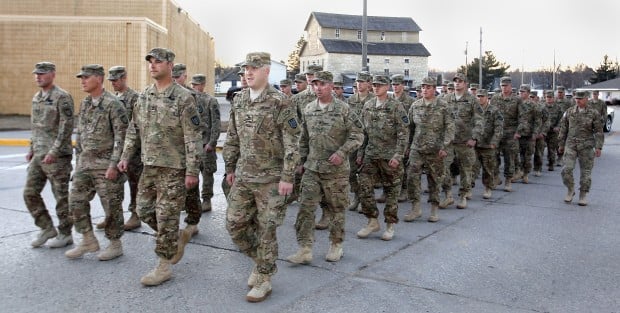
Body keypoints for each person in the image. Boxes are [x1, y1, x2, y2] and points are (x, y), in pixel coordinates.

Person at [118, 48, 202, 286]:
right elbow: (133, 129)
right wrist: (125, 155)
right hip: (150, 166)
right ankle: (174, 237)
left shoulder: (184, 98)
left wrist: (192, 170)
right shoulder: (144, 96)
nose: (153, 65)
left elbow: (193, 136)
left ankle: (163, 265)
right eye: (150, 62)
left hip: (174, 168)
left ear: (170, 65)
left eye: (158, 62)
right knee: (144, 210)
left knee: (166, 216)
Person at [223, 52, 300, 302]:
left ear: (267, 70)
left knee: (267, 229)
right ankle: (260, 261)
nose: (249, 72)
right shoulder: (240, 99)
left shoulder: (280, 102)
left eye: (254, 68)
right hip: (245, 176)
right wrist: (230, 167)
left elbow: (293, 142)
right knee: (234, 225)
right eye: (246, 68)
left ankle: (265, 277)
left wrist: (288, 176)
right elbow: (233, 137)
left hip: (272, 179)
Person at [287, 71, 362, 264]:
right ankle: (304, 249)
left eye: (322, 84)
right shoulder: (309, 109)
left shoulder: (343, 109)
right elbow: (303, 138)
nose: (317, 88)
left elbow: (357, 135)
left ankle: (336, 244)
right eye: (314, 84)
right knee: (305, 208)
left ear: (330, 86)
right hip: (312, 168)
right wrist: (301, 162)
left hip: (335, 172)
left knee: (336, 209)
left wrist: (342, 152)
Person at [65, 64, 128, 261]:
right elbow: (80, 135)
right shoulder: (85, 103)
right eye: (81, 78)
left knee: (111, 206)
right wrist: (78, 164)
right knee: (75, 201)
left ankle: (115, 243)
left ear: (99, 79)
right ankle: (88, 239)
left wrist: (113, 165)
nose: (82, 81)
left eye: (86, 77)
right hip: (85, 164)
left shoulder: (113, 105)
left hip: (105, 166)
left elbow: (122, 137)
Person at [25, 62, 75, 248]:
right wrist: (31, 149)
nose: (38, 76)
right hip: (39, 155)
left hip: (57, 157)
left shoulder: (62, 97)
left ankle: (65, 233)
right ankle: (46, 227)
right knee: (29, 193)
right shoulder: (36, 97)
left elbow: (66, 127)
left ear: (53, 74)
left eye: (43, 73)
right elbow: (35, 126)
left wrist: (54, 151)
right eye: (36, 73)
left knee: (61, 197)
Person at [356, 75, 409, 240]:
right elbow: (364, 132)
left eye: (380, 85)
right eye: (375, 85)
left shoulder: (396, 107)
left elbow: (403, 134)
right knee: (364, 186)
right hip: (371, 154)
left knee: (391, 192)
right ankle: (372, 221)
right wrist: (360, 153)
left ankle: (390, 225)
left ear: (387, 87)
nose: (376, 88)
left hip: (390, 157)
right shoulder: (368, 105)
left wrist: (398, 156)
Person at [404, 77, 455, 223]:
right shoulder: (415, 105)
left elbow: (450, 128)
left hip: (436, 150)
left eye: (428, 87)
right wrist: (407, 146)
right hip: (417, 148)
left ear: (434, 89)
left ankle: (434, 209)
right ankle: (416, 208)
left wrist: (445, 146)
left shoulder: (443, 106)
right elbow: (410, 128)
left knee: (434, 179)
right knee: (412, 178)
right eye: (423, 87)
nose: (425, 90)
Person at [105, 65, 142, 231]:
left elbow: (138, 126)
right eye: (111, 80)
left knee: (134, 183)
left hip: (132, 150)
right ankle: (112, 216)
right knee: (113, 184)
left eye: (116, 80)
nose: (113, 83)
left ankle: (135, 215)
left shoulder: (135, 98)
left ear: (124, 78)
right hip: (115, 148)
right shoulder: (114, 98)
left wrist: (133, 150)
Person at [440, 73, 483, 209]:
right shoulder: (446, 99)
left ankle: (463, 196)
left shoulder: (472, 100)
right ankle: (448, 195)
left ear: (465, 84)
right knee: (443, 168)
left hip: (465, 141)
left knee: (466, 170)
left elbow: (479, 120)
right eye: (455, 81)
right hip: (449, 142)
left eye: (460, 81)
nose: (457, 83)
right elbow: (440, 119)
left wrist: (474, 137)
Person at [558, 91, 604, 206]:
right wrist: (561, 144)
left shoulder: (594, 113)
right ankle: (570, 189)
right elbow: (563, 129)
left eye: (580, 98)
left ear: (586, 99)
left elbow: (598, 131)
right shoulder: (569, 112)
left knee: (586, 172)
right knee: (566, 169)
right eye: (576, 98)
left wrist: (599, 146)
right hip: (571, 144)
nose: (578, 100)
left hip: (586, 145)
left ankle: (583, 194)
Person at [490, 77, 528, 192]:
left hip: (510, 133)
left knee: (509, 158)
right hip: (497, 133)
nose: (504, 88)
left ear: (510, 86)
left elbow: (523, 118)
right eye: (502, 86)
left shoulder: (517, 100)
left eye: (506, 86)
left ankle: (508, 180)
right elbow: (490, 115)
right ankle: (495, 177)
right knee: (493, 157)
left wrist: (518, 132)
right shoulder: (495, 98)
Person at [190, 74, 221, 214]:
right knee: (192, 174)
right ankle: (193, 202)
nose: (195, 88)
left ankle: (206, 200)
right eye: (193, 85)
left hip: (206, 144)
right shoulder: (188, 100)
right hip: (193, 145)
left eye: (197, 85)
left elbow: (216, 124)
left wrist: (212, 143)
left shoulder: (211, 101)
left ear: (203, 85)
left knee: (207, 173)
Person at [346, 71, 373, 211]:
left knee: (365, 174)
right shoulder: (351, 100)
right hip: (353, 140)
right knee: (351, 172)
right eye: (358, 81)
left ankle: (365, 200)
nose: (359, 84)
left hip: (369, 141)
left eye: (363, 81)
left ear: (369, 83)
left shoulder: (374, 99)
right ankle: (357, 196)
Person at [474, 89, 503, 199]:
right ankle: (467, 189)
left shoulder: (494, 111)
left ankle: (488, 188)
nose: (480, 98)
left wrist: (494, 142)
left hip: (488, 144)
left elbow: (499, 128)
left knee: (488, 168)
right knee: (472, 167)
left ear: (487, 98)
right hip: (475, 144)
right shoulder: (474, 110)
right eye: (478, 96)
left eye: (482, 96)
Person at [390, 74, 415, 202]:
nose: (395, 87)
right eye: (393, 84)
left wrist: (409, 144)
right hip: (389, 139)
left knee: (403, 166)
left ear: (403, 85)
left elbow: (412, 125)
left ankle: (404, 190)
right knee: (389, 166)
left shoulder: (410, 101)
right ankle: (388, 191)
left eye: (397, 84)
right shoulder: (389, 99)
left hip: (404, 139)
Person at [543, 90, 562, 170]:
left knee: (551, 148)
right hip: (543, 131)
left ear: (553, 98)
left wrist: (558, 126)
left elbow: (561, 119)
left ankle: (551, 163)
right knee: (540, 148)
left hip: (553, 131)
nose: (549, 99)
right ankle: (538, 166)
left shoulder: (558, 108)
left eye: (550, 97)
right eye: (547, 97)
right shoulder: (542, 107)